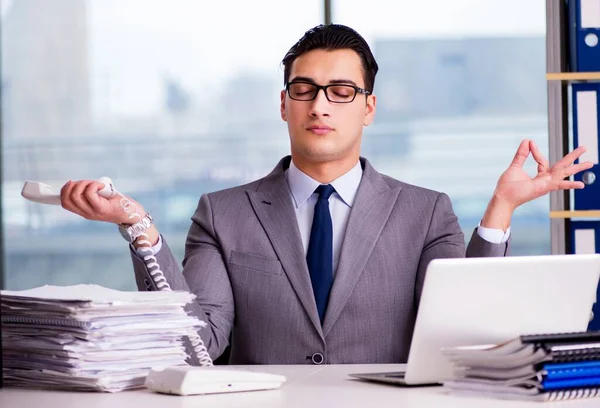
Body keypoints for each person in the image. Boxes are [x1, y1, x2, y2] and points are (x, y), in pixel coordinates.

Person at [60, 24, 593, 365]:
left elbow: (462, 330)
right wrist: (139, 228)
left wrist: (499, 211)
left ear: (368, 108)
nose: (320, 106)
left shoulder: (426, 211)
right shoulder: (222, 213)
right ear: (284, 104)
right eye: (304, 90)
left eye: (341, 92)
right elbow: (196, 344)